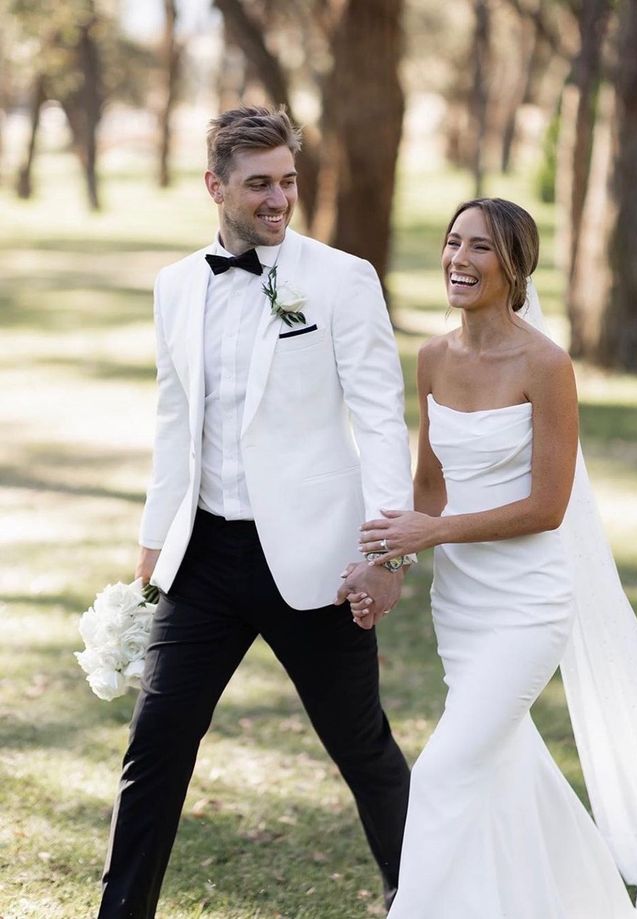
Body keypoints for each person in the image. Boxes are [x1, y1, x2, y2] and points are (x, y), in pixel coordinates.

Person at [351, 198, 637, 918]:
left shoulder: (546, 364)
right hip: (460, 608)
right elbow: (428, 487)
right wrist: (387, 563)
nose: (458, 260)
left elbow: (546, 507)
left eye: (481, 249)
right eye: (452, 241)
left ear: (516, 267)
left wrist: (428, 535)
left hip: (527, 604)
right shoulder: (432, 357)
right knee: (507, 768)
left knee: (440, 775)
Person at [96, 105, 417, 918]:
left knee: (361, 745)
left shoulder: (342, 279)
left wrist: (386, 554)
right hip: (201, 558)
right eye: (259, 185)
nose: (279, 199)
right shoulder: (176, 287)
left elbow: (381, 419)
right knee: (156, 744)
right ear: (215, 186)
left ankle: (421, 894)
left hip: (314, 559)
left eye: (288, 182)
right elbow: (175, 424)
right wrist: (149, 549)